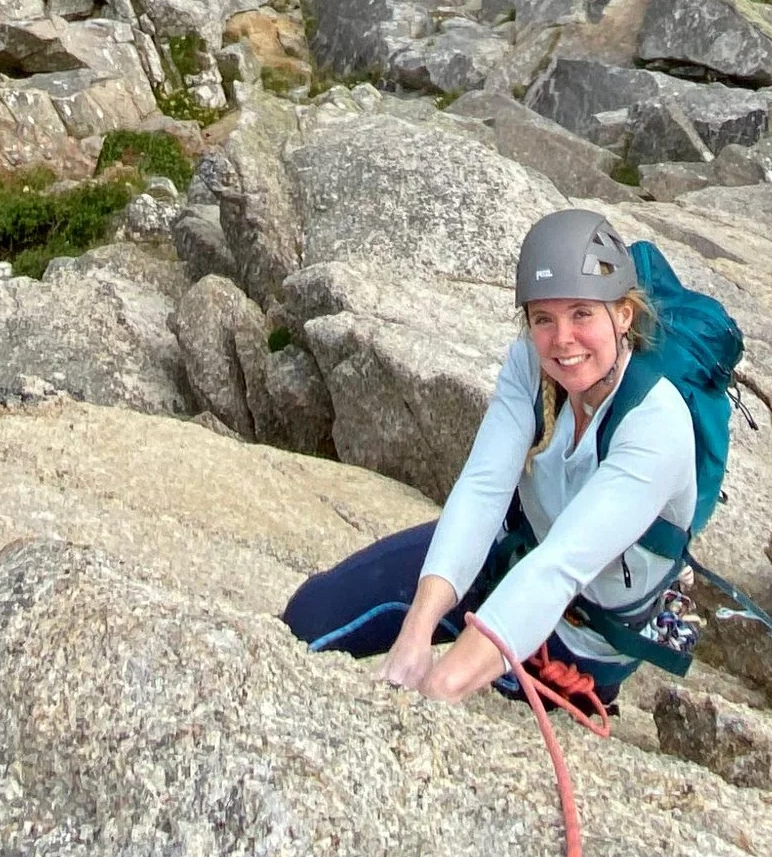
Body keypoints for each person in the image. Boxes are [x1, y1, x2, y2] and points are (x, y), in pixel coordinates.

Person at [281, 208, 701, 718]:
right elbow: (484, 488)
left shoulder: (655, 423)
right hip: (514, 556)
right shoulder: (531, 363)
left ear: (623, 315)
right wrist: (416, 631)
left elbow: (562, 565)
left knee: (479, 696)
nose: (562, 340)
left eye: (581, 314)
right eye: (543, 318)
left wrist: (442, 686)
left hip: (585, 629)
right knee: (307, 620)